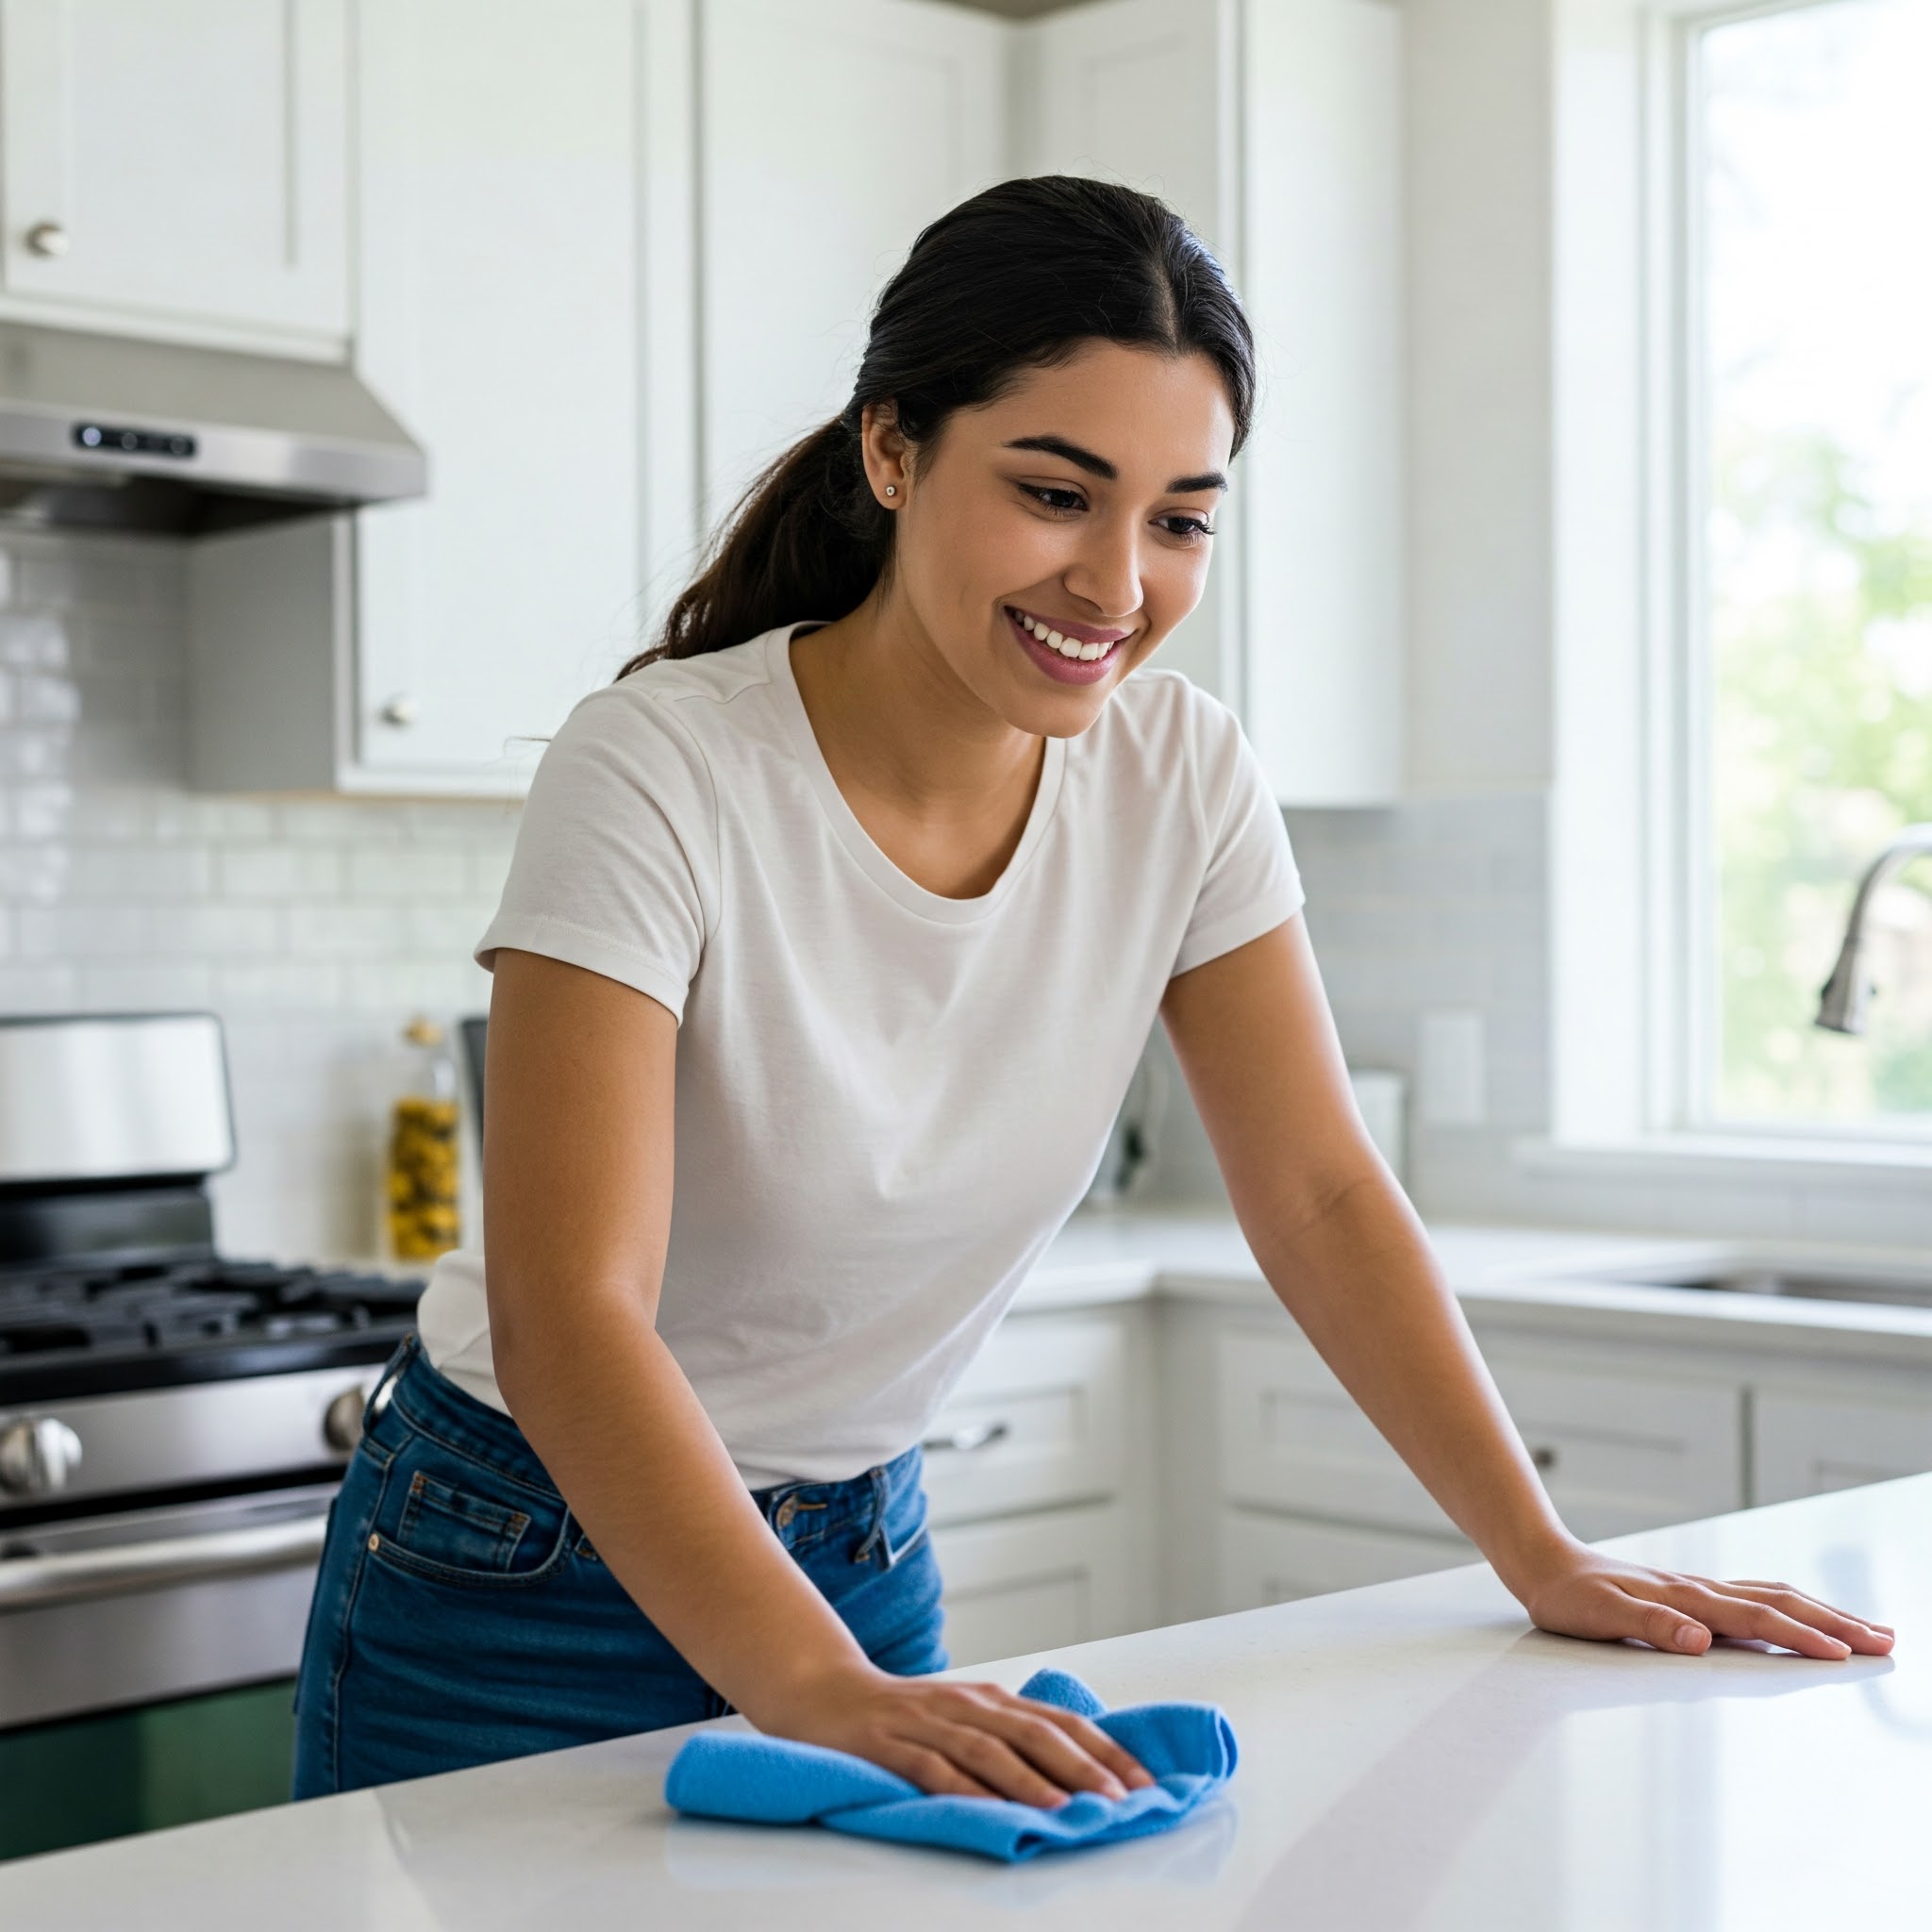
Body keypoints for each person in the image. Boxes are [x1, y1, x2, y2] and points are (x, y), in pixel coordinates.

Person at [291, 175, 1892, 1806]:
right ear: (892, 450)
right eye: (1057, 494)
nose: (1118, 586)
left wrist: (1538, 1556)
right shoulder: (658, 767)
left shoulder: (1182, 776)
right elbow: (574, 1315)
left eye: (1181, 519)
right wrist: (812, 1683)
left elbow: (1326, 1195)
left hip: (854, 1549)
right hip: (511, 1572)